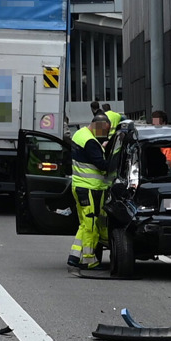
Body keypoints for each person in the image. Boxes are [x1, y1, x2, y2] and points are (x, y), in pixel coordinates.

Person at [68, 112, 112, 270]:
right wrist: (114, 165)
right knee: (92, 224)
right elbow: (101, 164)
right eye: (105, 131)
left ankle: (74, 256)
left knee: (84, 223)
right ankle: (88, 260)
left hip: (80, 186)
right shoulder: (90, 142)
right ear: (98, 126)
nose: (105, 135)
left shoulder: (80, 134)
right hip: (90, 188)